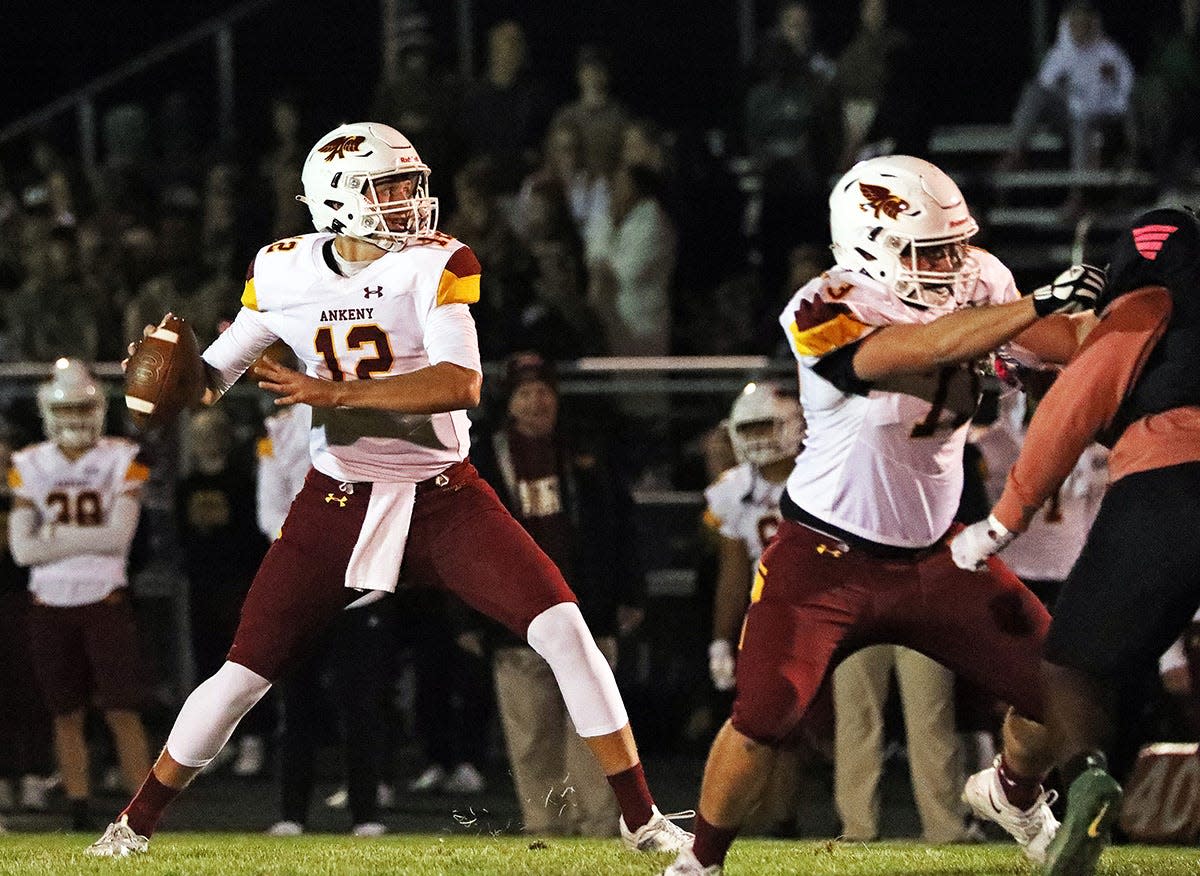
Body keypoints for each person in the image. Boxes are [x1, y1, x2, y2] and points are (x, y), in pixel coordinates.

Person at [86, 122, 691, 857]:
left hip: (443, 494)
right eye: (390, 188)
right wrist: (167, 379)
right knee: (244, 673)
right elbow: (214, 378)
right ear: (338, 202)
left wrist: (329, 392)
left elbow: (461, 383)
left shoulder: (430, 264)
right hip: (337, 501)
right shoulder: (285, 272)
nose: (412, 201)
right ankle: (133, 824)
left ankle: (641, 820)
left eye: (410, 183)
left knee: (565, 628)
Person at [661, 154, 1105, 876]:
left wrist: (1138, 318)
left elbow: (1064, 344)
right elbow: (912, 348)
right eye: (932, 250)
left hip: (940, 555)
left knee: (1069, 690)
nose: (955, 263)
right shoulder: (826, 303)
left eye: (960, 244)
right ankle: (700, 862)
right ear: (871, 245)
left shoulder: (981, 281)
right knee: (764, 714)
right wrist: (1028, 309)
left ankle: (1013, 794)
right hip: (825, 557)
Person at [950, 206, 1200, 875]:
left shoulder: (1149, 298)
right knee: (1121, 671)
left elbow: (1081, 391)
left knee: (1072, 668)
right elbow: (1072, 342)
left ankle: (1085, 783)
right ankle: (1019, 786)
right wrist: (1012, 334)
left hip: (1174, 478)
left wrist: (1005, 517)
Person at [472, 351, 643, 837]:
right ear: (508, 402)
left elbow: (621, 523)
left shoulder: (586, 449)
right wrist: (468, 619)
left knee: (597, 733)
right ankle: (544, 828)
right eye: (525, 392)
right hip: (515, 618)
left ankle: (599, 831)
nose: (536, 401)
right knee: (531, 738)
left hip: (587, 611)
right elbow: (459, 543)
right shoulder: (481, 457)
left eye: (544, 390)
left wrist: (630, 593)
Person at [8, 359, 153, 831]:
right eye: (64, 408)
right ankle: (78, 808)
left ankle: (143, 808)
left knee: (121, 708)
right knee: (64, 712)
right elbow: (21, 551)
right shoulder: (29, 463)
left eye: (80, 407)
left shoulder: (122, 456)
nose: (73, 417)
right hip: (50, 602)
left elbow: (118, 540)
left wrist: (56, 540)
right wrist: (80, 540)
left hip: (103, 597)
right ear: (48, 410)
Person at [256, 398, 392, 836]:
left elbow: (391, 500)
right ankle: (291, 812)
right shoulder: (279, 430)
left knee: (361, 706)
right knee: (296, 703)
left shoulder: (377, 420)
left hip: (359, 584)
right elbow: (269, 511)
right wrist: (313, 552)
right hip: (303, 582)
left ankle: (366, 812)